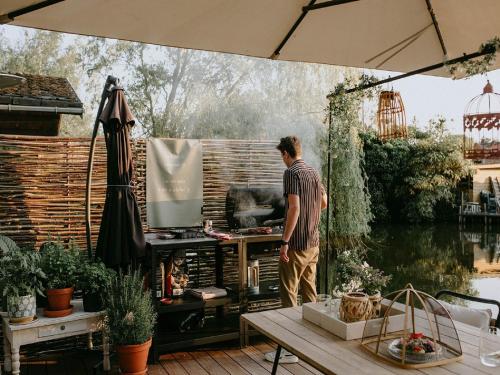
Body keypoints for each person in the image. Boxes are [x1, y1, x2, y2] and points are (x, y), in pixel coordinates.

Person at [265, 135, 328, 364]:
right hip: (314, 243)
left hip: (297, 245)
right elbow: (324, 203)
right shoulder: (313, 171)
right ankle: (312, 344)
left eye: (281, 155)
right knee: (309, 292)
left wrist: (284, 242)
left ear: (285, 153)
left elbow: (294, 209)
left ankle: (290, 350)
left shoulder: (291, 173)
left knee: (289, 293)